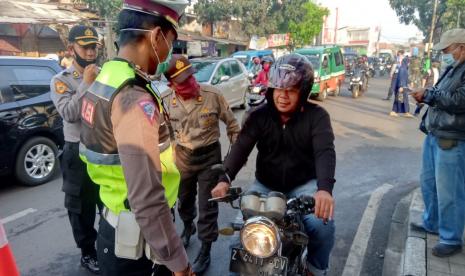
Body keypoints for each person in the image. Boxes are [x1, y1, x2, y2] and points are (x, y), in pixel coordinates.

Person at [79, 1, 194, 275]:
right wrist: (178, 263)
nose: (170, 53)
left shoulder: (107, 76)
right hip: (139, 246)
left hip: (114, 226)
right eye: (171, 42)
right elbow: (146, 196)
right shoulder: (133, 97)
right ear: (156, 37)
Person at [211, 54, 336, 276]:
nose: (283, 96)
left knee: (321, 227)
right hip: (265, 187)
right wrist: (224, 179)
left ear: (303, 91)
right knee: (238, 240)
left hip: (303, 186)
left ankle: (316, 269)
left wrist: (324, 190)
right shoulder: (259, 116)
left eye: (291, 90)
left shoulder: (317, 117)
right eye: (279, 89)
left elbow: (325, 152)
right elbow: (241, 148)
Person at [162, 55, 241, 274]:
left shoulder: (212, 95)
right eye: (182, 80)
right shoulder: (165, 100)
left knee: (208, 206)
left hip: (209, 158)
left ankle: (205, 249)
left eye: (191, 77)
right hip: (183, 157)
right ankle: (188, 226)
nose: (190, 83)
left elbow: (233, 127)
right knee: (184, 200)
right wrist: (167, 157)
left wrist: (231, 160)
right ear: (171, 83)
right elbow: (164, 133)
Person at [50, 25, 102, 274]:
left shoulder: (104, 74)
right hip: (76, 151)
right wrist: (87, 84)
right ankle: (88, 253)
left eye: (94, 47)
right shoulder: (61, 81)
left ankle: (108, 246)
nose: (91, 52)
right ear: (72, 49)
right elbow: (69, 114)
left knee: (109, 203)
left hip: (103, 149)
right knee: (80, 207)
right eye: (86, 47)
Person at [411, 28, 465, 258]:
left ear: (461, 47)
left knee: (449, 192)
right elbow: (442, 93)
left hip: (452, 139)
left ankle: (451, 238)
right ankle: (432, 222)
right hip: (435, 134)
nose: (444, 54)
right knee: (429, 184)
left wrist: (430, 95)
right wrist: (428, 93)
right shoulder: (454, 69)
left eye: (447, 49)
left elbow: (460, 101)